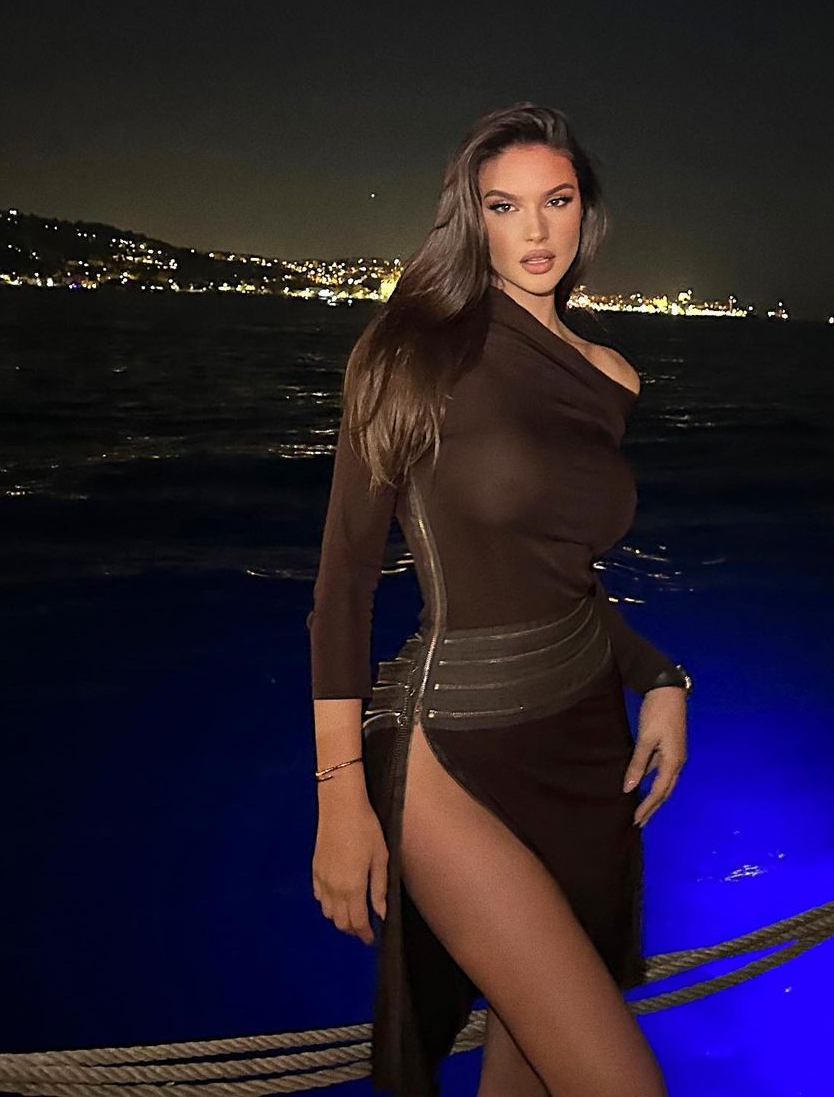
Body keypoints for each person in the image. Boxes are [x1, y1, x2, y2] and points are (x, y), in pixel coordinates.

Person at [308, 102, 690, 1096]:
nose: (536, 229)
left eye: (555, 200)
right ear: (470, 218)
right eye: (504, 205)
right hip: (453, 749)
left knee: (532, 1075)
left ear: (585, 210)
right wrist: (340, 794)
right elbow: (344, 583)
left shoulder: (611, 374)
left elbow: (563, 573)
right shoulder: (410, 352)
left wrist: (659, 675)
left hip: (584, 746)